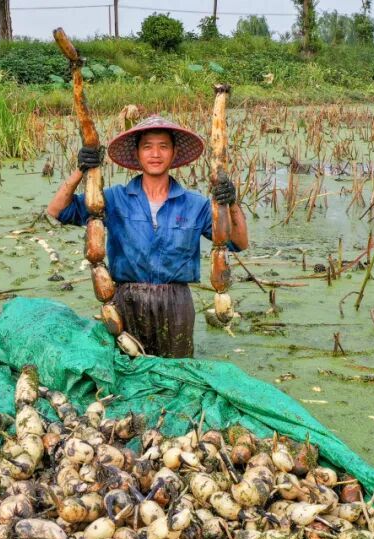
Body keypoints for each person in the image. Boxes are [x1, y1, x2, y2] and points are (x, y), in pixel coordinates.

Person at [46, 115, 248, 358]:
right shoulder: (114, 198)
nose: (155, 154)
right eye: (147, 147)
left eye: (163, 146)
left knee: (176, 375)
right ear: (137, 154)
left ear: (173, 154)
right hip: (125, 301)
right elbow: (58, 210)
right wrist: (82, 169)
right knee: (127, 374)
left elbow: (238, 242)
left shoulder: (195, 205)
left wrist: (231, 202)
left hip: (177, 303)